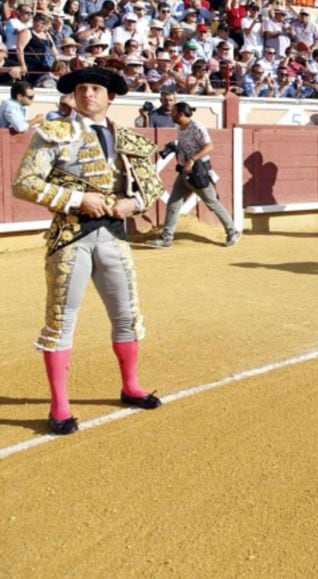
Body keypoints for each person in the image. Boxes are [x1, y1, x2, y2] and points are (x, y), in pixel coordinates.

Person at [11, 67, 165, 435]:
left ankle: (130, 386)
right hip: (70, 237)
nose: (88, 94)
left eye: (95, 88)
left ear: (110, 96)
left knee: (127, 315)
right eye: (81, 88)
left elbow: (152, 185)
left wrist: (135, 203)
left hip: (114, 236)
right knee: (61, 321)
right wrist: (78, 198)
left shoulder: (128, 137)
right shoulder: (56, 132)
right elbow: (24, 183)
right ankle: (59, 404)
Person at [145, 102, 241, 248]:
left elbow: (209, 146)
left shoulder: (197, 126)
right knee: (173, 203)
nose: (171, 114)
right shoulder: (180, 128)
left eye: (174, 112)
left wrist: (192, 159)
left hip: (198, 172)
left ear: (181, 114)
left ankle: (232, 231)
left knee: (212, 203)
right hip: (184, 172)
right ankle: (166, 238)